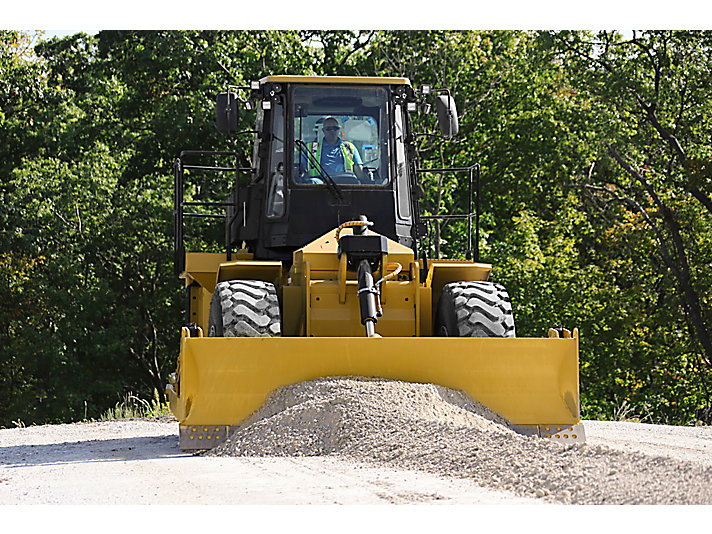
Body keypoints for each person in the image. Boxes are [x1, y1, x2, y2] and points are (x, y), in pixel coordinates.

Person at [300, 117, 373, 182]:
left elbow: (359, 172)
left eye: (335, 128)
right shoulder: (310, 148)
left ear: (339, 130)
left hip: (345, 181)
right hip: (320, 181)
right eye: (328, 129)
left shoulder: (350, 147)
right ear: (323, 130)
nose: (332, 131)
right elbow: (302, 169)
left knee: (356, 183)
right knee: (312, 182)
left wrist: (367, 177)